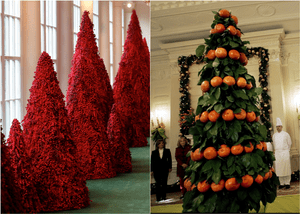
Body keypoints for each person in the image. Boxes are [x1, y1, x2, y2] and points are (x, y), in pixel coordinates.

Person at [272, 117, 292, 189]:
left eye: (279, 126)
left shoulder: (286, 134)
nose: (278, 128)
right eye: (277, 127)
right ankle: (281, 183)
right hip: (277, 153)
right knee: (279, 168)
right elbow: (274, 144)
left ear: (282, 127)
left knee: (286, 167)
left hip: (285, 152)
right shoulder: (274, 135)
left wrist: (287, 151)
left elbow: (289, 143)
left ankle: (287, 182)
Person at [151, 139, 172, 203]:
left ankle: (164, 197)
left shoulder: (167, 151)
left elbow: (170, 159)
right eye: (160, 143)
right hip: (156, 170)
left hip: (165, 169)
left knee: (164, 183)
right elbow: (152, 162)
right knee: (158, 184)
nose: (161, 144)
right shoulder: (154, 152)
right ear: (157, 145)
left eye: (162, 143)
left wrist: (170, 167)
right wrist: (152, 170)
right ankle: (158, 198)